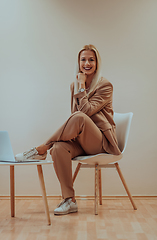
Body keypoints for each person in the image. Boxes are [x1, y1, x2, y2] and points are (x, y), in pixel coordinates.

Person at [15, 44, 121, 215]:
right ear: (78, 62)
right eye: (83, 59)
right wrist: (78, 86)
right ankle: (69, 200)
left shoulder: (105, 85)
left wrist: (81, 87)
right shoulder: (74, 85)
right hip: (82, 139)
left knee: (80, 117)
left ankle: (41, 148)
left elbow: (84, 112)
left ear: (97, 63)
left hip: (101, 142)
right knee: (58, 148)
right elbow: (75, 116)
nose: (87, 63)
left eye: (91, 60)